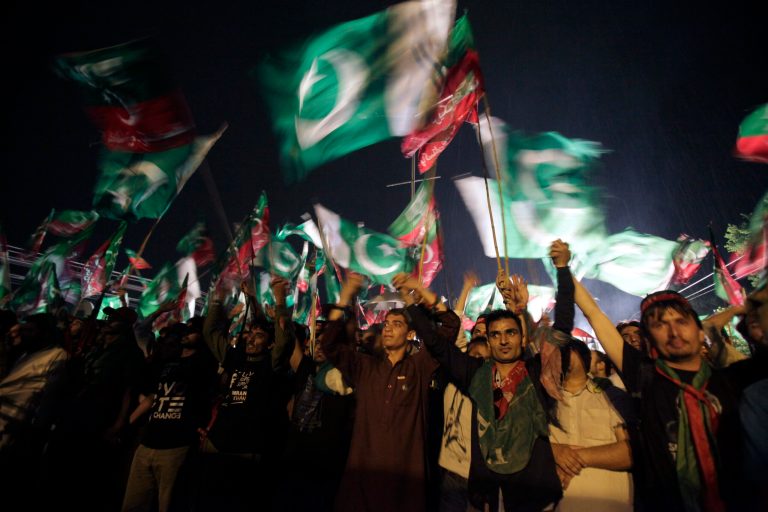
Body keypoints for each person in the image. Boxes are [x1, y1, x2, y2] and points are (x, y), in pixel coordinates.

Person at [573, 273, 768, 511]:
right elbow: (594, 314)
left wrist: (745, 307)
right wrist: (563, 268)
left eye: (682, 322)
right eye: (659, 325)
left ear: (699, 332)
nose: (673, 332)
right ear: (649, 338)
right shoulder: (644, 377)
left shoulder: (732, 380)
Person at [416, 240, 574, 511]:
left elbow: (562, 325)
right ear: (487, 340)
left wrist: (562, 270)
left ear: (521, 337)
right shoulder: (476, 374)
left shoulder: (535, 372)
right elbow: (437, 344)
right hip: (487, 496)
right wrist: (411, 304)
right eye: (496, 335)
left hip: (533, 497)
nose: (503, 341)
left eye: (510, 333)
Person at [321, 271, 449, 512]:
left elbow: (450, 328)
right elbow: (329, 345)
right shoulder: (365, 367)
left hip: (405, 485)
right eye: (386, 324)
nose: (388, 329)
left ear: (410, 334)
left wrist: (417, 288)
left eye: (397, 324)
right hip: (362, 482)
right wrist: (345, 297)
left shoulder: (419, 367)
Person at [549, 338, 633, 511]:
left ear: (585, 358)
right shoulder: (544, 401)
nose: (565, 356)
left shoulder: (611, 396)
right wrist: (554, 451)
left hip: (609, 505)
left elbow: (629, 453)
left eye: (571, 350)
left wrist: (571, 457)